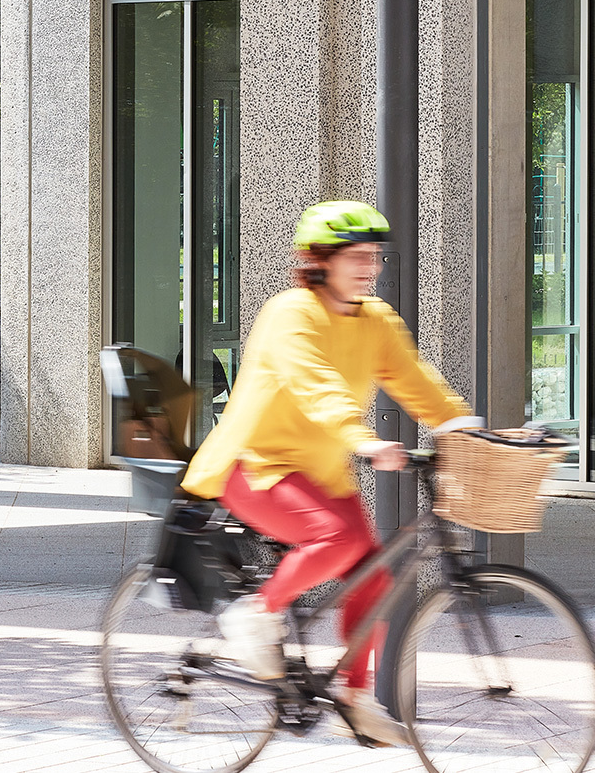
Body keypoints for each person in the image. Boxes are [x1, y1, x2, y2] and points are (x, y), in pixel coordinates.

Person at [179, 200, 478, 746]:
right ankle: (254, 613)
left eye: (375, 257)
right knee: (336, 538)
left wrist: (462, 425)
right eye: (355, 256)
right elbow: (316, 387)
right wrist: (363, 438)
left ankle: (352, 694)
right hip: (253, 465)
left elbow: (415, 382)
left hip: (319, 475)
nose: (369, 267)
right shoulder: (290, 314)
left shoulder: (375, 321)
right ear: (319, 261)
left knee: (374, 575)